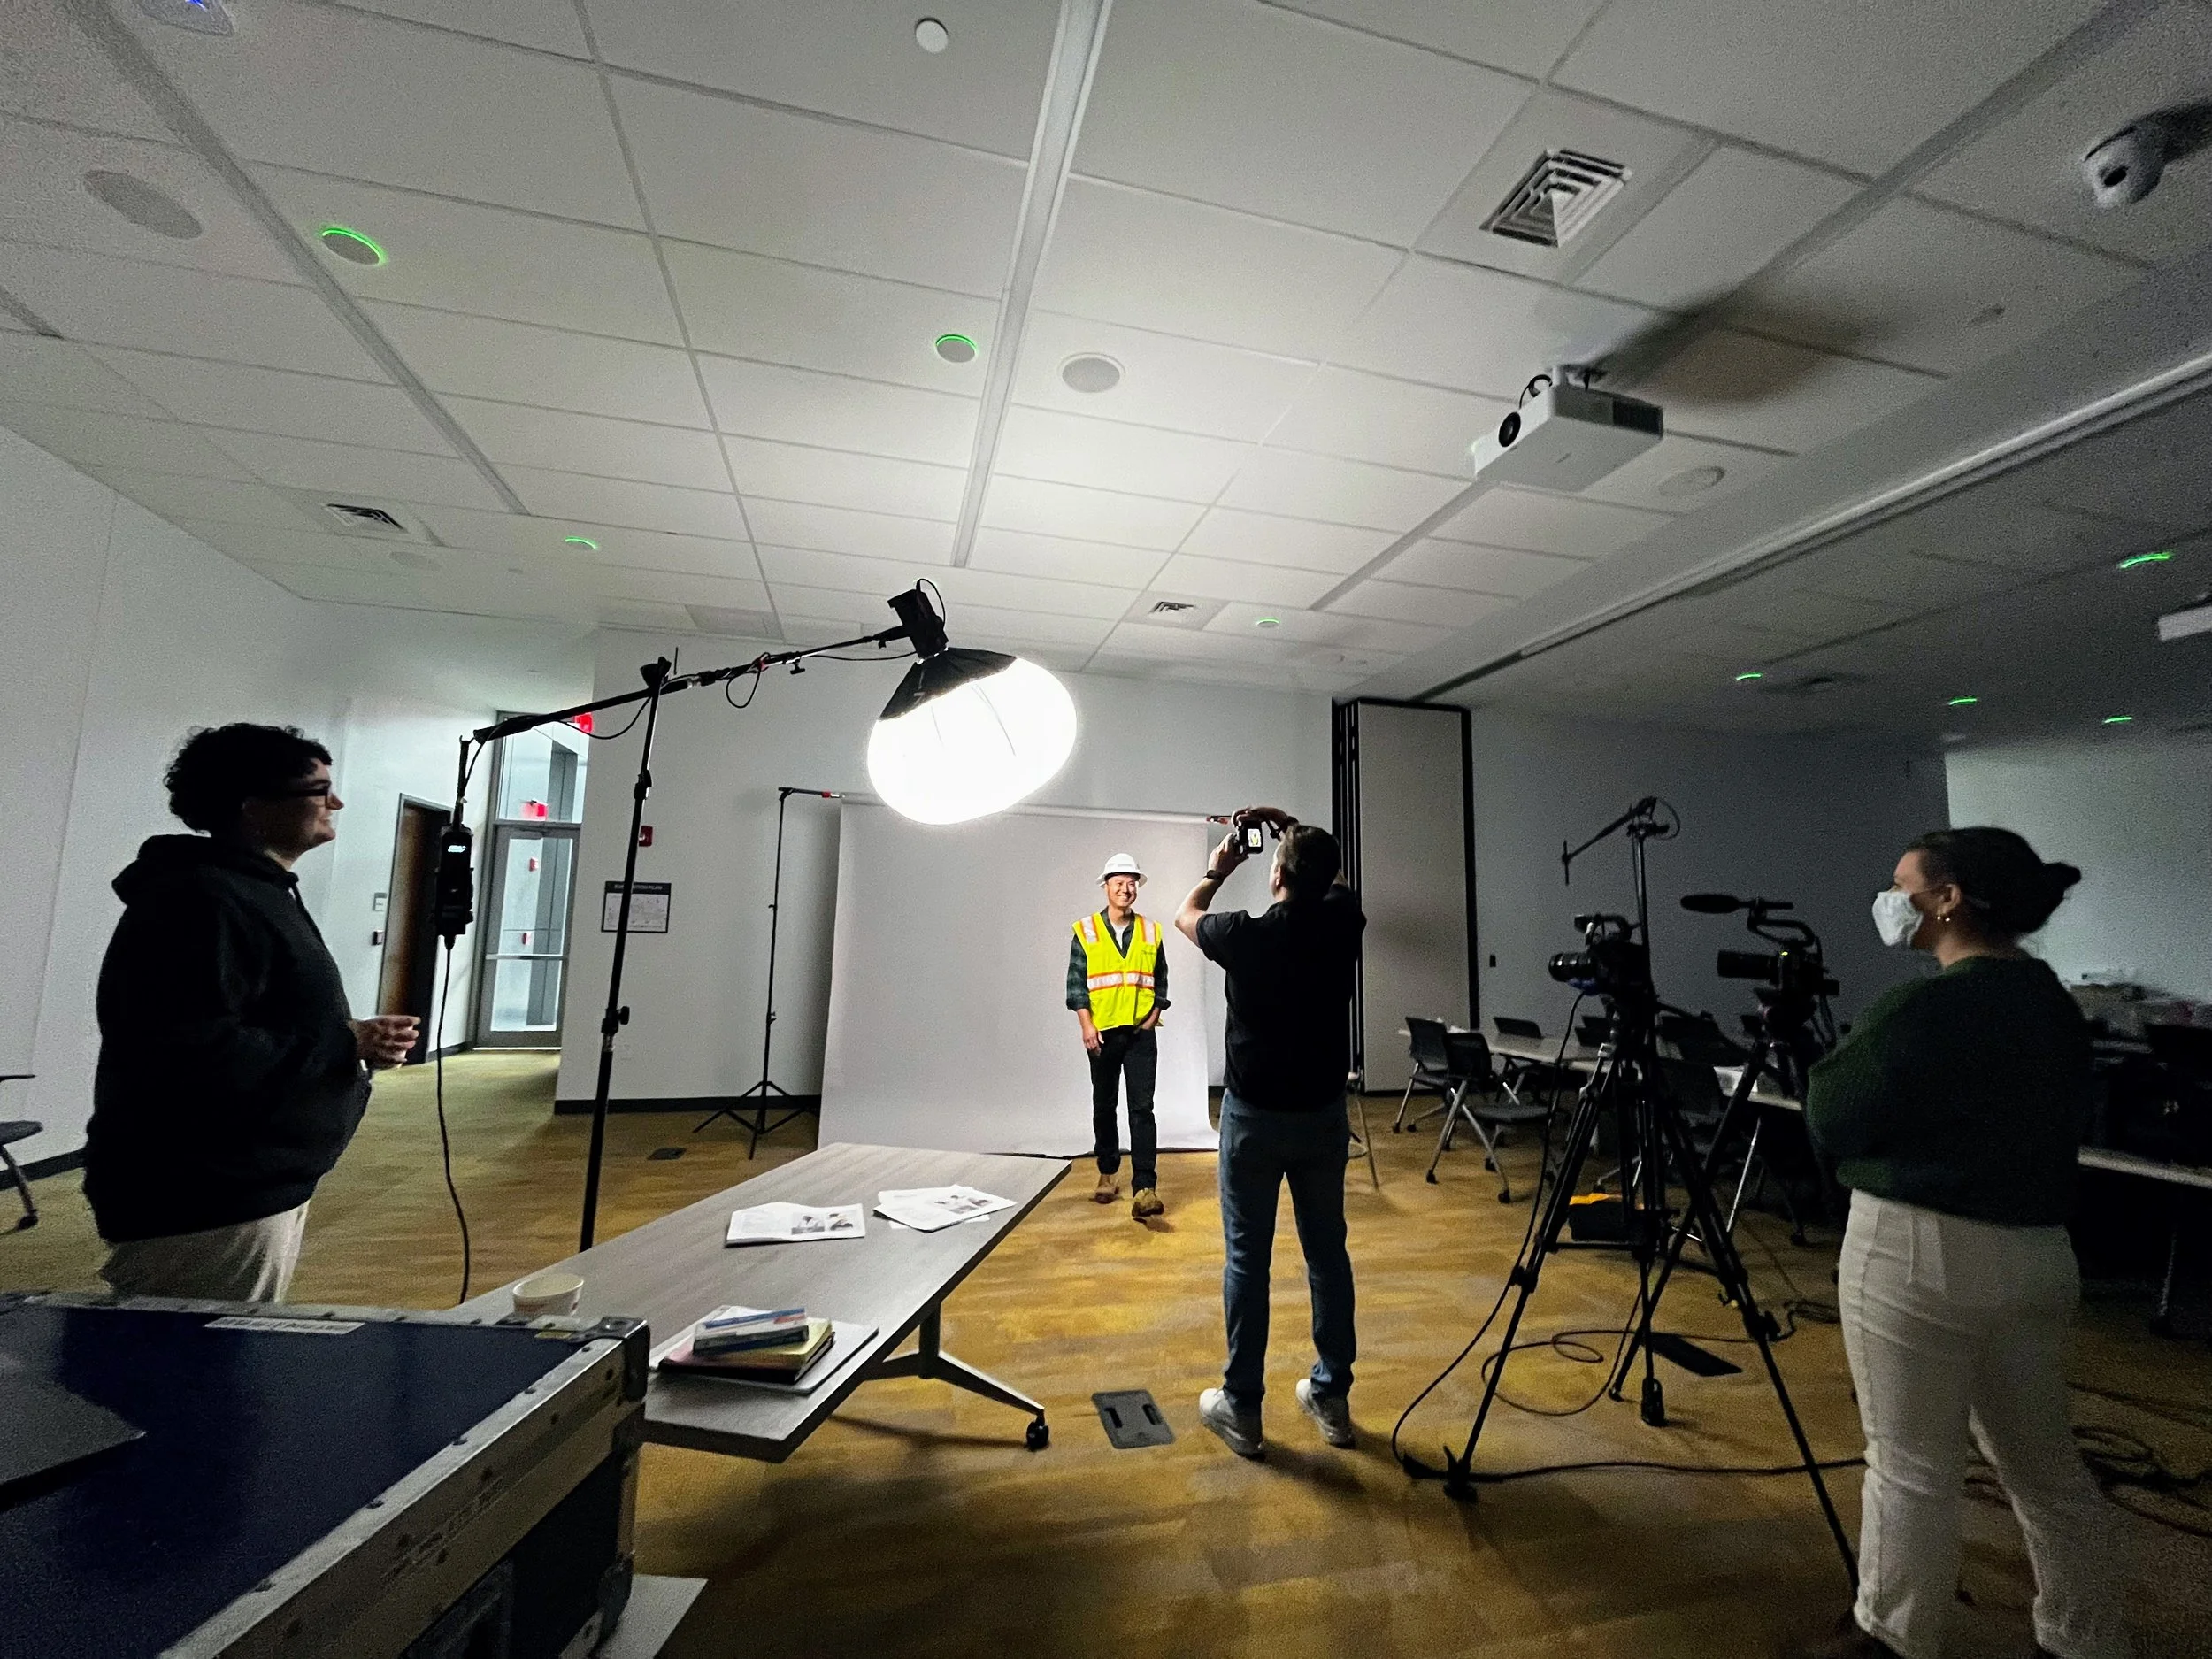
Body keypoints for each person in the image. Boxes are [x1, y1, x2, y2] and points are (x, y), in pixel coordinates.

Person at [1800, 827, 2128, 1659]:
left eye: (1902, 884)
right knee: (2046, 1469)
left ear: (1946, 899)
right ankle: (2086, 1638)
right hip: (2038, 1255)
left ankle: (1893, 1635)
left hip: (1917, 1251)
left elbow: (1832, 1112)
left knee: (1910, 1464)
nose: (1891, 899)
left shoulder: (1926, 1007)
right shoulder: (2052, 1004)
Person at [84, 724, 419, 1302]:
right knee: (192, 1350)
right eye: (318, 790)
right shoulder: (198, 901)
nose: (335, 803)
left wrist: (355, 1041)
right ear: (254, 807)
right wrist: (348, 1043)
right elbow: (189, 1051)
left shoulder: (250, 891)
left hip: (251, 1179)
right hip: (205, 1193)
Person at [1175, 809, 1364, 1458]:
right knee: (1327, 1256)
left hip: (1253, 1121)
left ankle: (1243, 1407)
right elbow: (1334, 878)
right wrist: (1294, 828)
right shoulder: (1342, 921)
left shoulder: (1244, 934)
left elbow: (1186, 914)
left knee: (1247, 1261)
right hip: (1322, 1117)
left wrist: (1218, 868)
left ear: (1276, 874)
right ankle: (1331, 1397)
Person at [1069, 852, 1170, 1219]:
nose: (1126, 889)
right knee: (1104, 1105)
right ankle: (1107, 1173)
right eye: (1119, 883)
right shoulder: (1086, 931)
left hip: (1140, 1034)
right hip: (1103, 1035)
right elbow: (1076, 984)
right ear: (1106, 887)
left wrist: (1154, 1013)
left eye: (1131, 883)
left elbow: (1160, 978)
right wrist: (1087, 1025)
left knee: (1142, 1109)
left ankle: (1145, 1186)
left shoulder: (1151, 931)